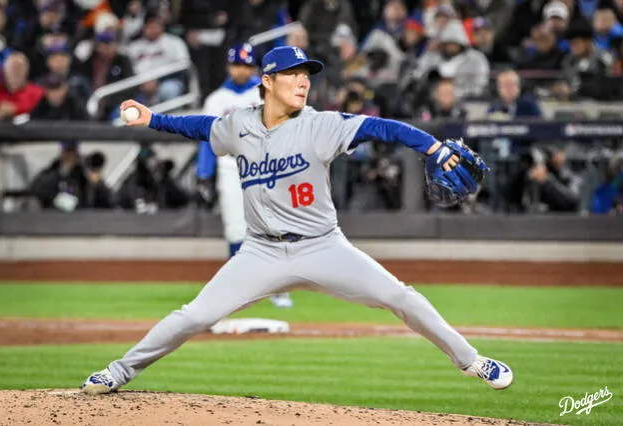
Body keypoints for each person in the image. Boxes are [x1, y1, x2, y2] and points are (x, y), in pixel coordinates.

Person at [81, 45, 513, 395]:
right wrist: (153, 118)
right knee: (193, 317)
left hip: (322, 245)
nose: (303, 80)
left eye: (307, 74)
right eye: (292, 73)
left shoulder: (320, 125)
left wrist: (433, 148)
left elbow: (385, 129)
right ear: (267, 81)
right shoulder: (238, 126)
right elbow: (201, 126)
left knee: (401, 298)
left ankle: (473, 361)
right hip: (261, 251)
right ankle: (118, 372)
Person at [195, 42, 293, 309]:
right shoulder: (216, 100)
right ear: (229, 66)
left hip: (268, 168)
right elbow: (207, 139)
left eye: (247, 65)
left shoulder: (266, 93)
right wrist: (204, 173)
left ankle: (278, 287)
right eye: (238, 64)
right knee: (236, 230)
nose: (242, 70)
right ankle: (239, 288)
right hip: (231, 169)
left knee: (275, 227)